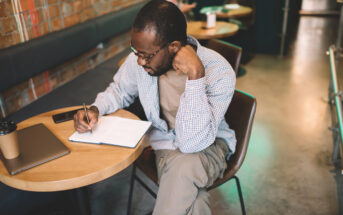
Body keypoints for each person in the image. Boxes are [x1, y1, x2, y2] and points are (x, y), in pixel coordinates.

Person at [73, 0, 236, 214]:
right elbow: (119, 90)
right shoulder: (142, 59)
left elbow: (191, 144)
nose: (140, 61)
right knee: (194, 202)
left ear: (174, 47)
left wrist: (196, 76)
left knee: (183, 168)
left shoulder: (219, 72)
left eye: (146, 55)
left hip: (209, 147)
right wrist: (94, 109)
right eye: (135, 52)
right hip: (167, 146)